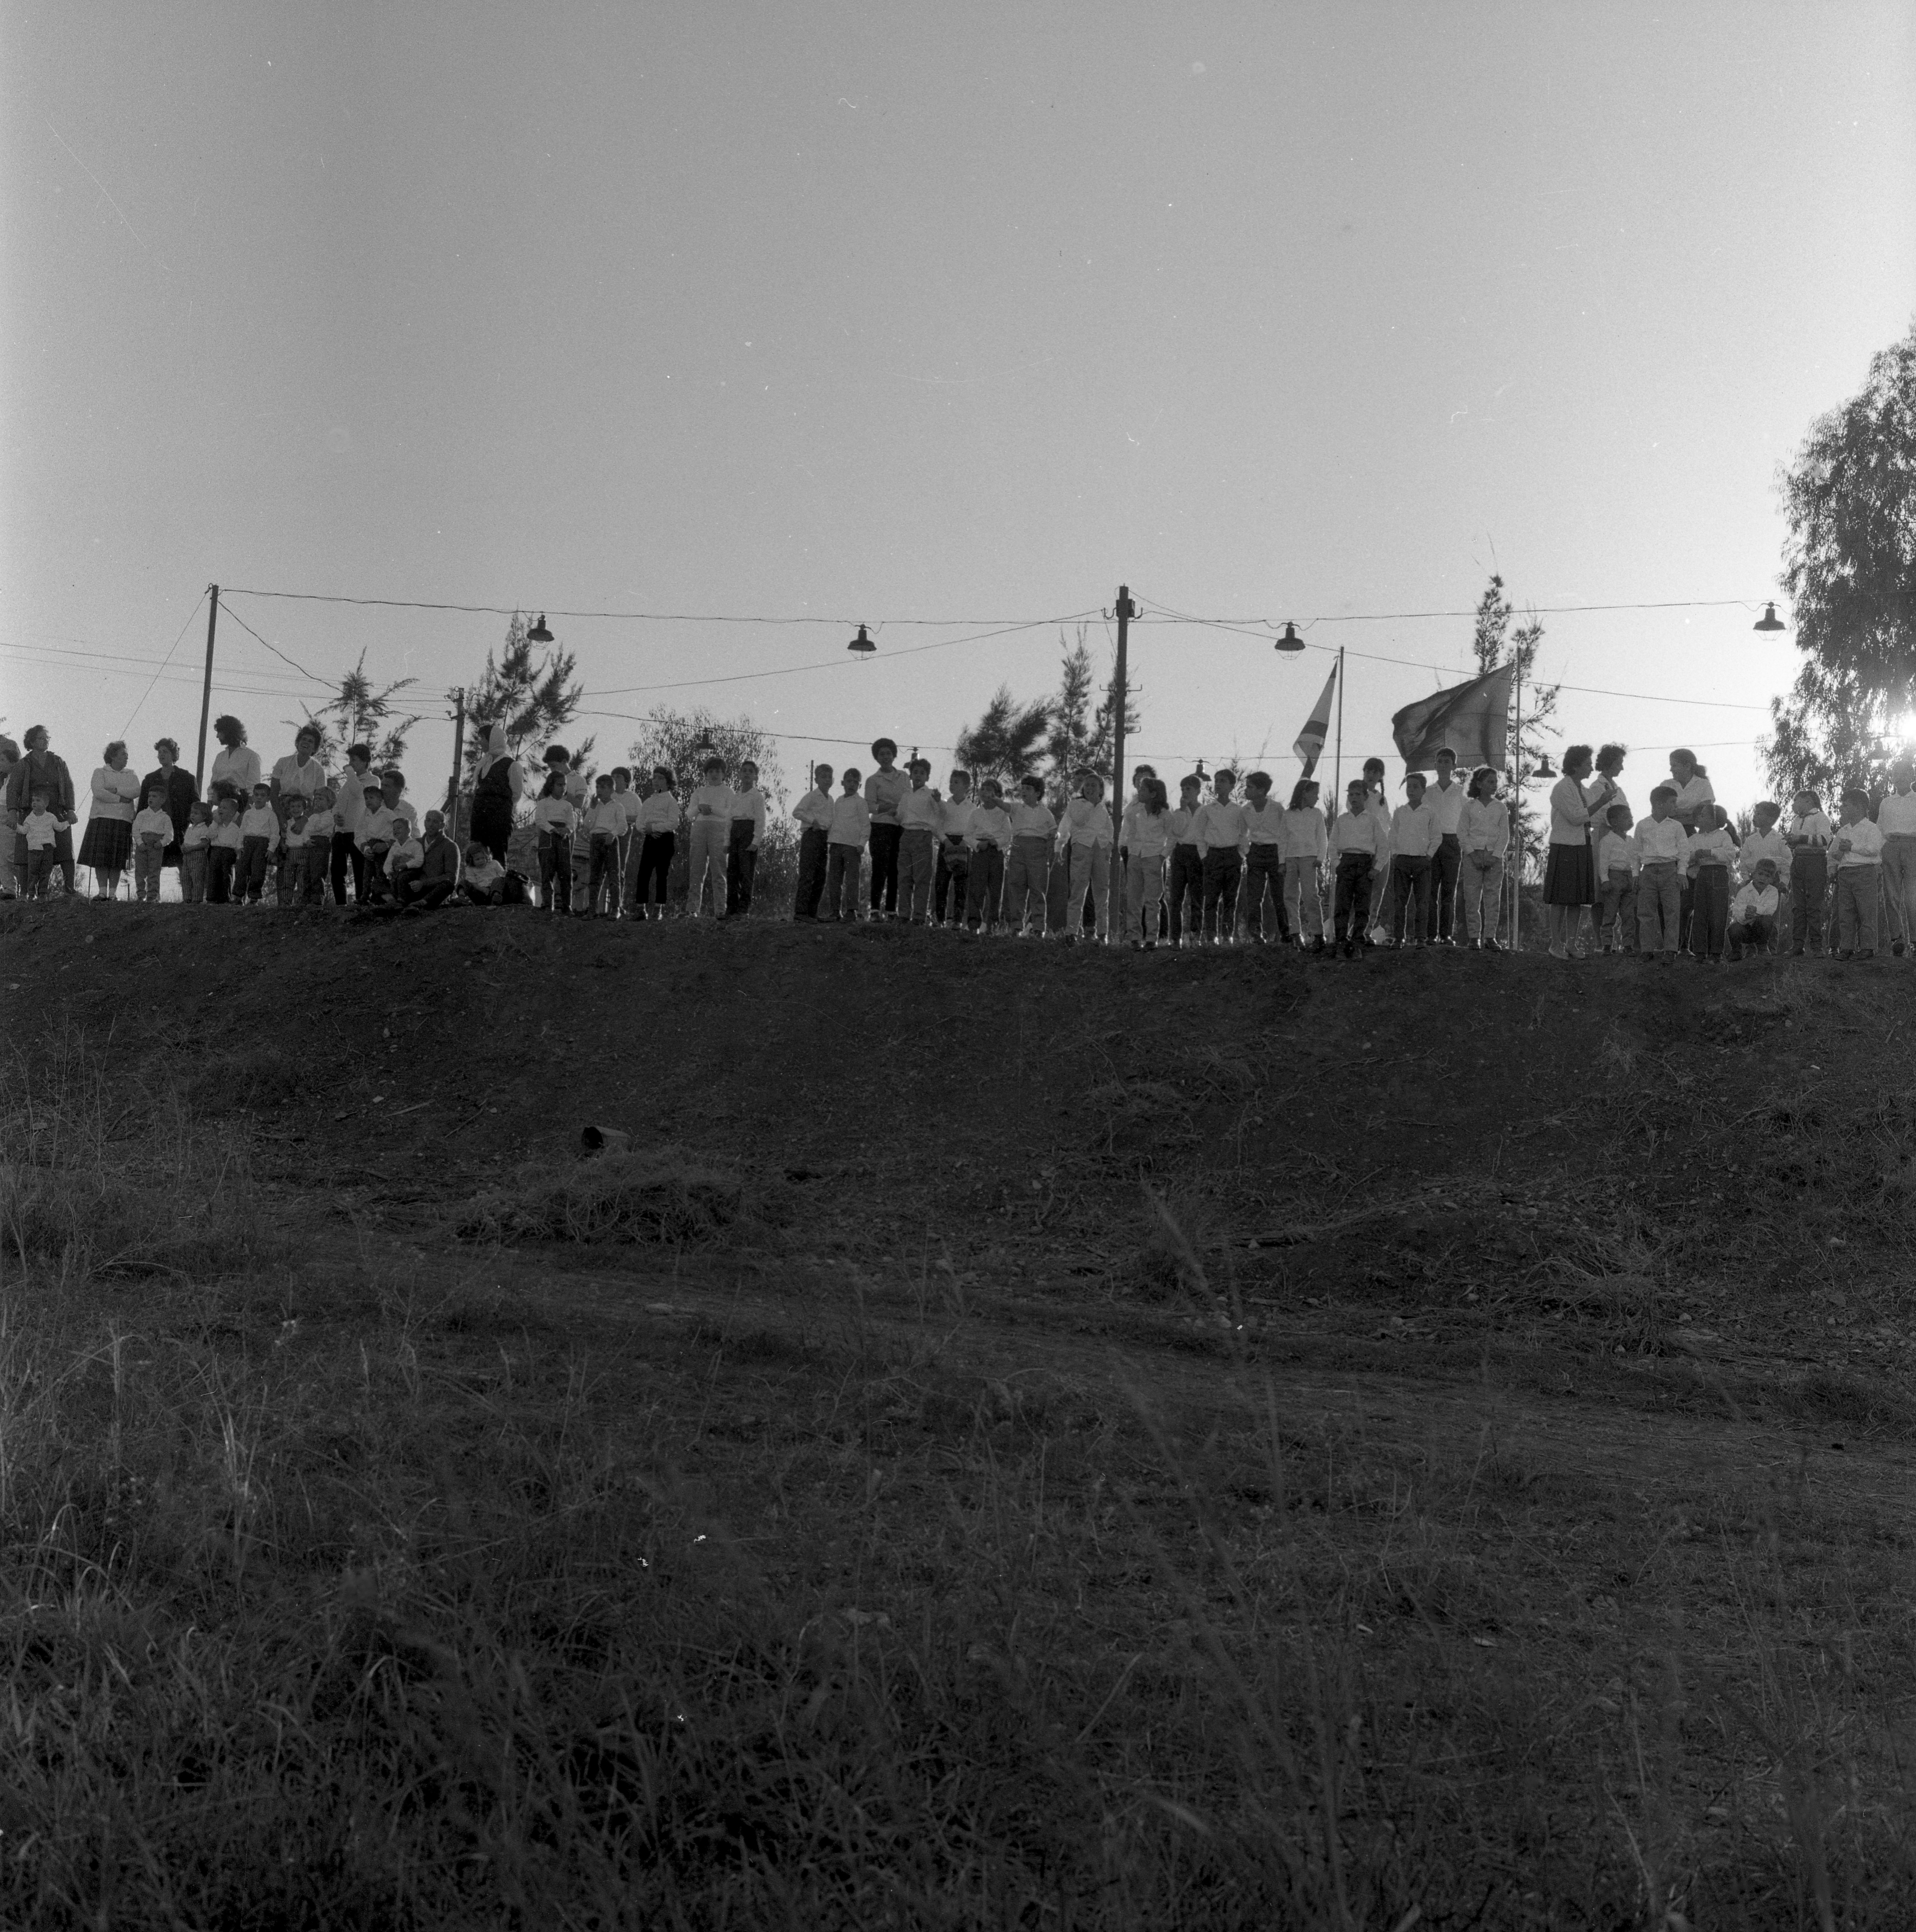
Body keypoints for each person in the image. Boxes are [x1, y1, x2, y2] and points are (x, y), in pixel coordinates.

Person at [1542, 745, 1602, 959]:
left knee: (1577, 899)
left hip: (1583, 846)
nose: (1591, 768)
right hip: (1565, 846)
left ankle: (1572, 944)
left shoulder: (1585, 791)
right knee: (1560, 899)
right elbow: (1576, 818)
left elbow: (1592, 818)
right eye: (1588, 764)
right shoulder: (1562, 788)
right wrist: (1601, 803)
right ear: (1575, 765)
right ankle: (1555, 943)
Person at [6, 727, 77, 896]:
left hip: (56, 811)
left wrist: (71, 810)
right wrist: (12, 812)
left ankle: (69, 890)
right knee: (25, 853)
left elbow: (68, 786)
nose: (45, 741)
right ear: (31, 742)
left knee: (65, 850)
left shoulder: (58, 762)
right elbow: (13, 789)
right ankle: (26, 893)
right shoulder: (24, 764)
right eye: (41, 738)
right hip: (30, 812)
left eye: (47, 738)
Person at [269, 725, 329, 904]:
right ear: (297, 742)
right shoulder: (283, 762)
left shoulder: (318, 770)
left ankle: (304, 901)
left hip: (307, 812)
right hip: (283, 809)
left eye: (311, 742)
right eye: (303, 739)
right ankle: (284, 902)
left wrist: (304, 819)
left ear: (315, 748)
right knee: (284, 856)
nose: (306, 743)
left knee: (304, 857)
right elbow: (273, 794)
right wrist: (281, 819)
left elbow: (319, 798)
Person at [1328, 778, 1384, 958]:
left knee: (1362, 906)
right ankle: (1341, 941)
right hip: (1346, 863)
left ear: (1366, 797)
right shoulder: (1342, 820)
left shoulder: (1373, 821)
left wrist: (1377, 868)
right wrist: (1337, 864)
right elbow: (1333, 844)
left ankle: (1358, 941)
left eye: (1358, 794)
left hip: (1365, 865)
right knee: (1342, 905)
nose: (1354, 798)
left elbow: (1384, 847)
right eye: (1351, 795)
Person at [1055, 771, 1113, 944]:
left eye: (1094, 785)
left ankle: (1103, 933)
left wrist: (1108, 846)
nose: (1089, 788)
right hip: (1082, 848)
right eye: (1087, 785)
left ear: (1101, 789)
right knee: (1078, 891)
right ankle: (1072, 931)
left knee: (1102, 892)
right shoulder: (1076, 804)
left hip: (1100, 850)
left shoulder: (1103, 809)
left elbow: (1109, 830)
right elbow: (1076, 822)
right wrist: (1059, 846)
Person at [80, 741, 142, 900]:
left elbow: (136, 791)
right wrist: (121, 799)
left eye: (127, 755)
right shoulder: (100, 772)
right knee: (101, 860)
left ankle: (113, 894)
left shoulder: (132, 775)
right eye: (123, 754)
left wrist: (115, 791)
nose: (126, 758)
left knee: (117, 860)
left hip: (123, 820)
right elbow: (99, 792)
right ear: (113, 756)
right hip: (101, 819)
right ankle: (102, 892)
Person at [1632, 785, 1687, 961]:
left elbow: (1684, 851)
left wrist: (1682, 872)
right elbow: (1636, 853)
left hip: (1670, 870)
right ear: (1659, 804)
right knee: (1645, 913)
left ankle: (1671, 950)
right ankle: (1647, 949)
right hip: (1648, 872)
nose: (1675, 806)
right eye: (1672, 802)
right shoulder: (1642, 825)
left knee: (1672, 912)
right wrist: (1635, 874)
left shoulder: (1677, 826)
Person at [1192, 769, 1247, 946]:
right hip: (1213, 856)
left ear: (1232, 785)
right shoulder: (1207, 810)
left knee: (1231, 899)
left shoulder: (1239, 811)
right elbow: (1199, 835)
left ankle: (1227, 935)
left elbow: (1244, 835)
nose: (1219, 784)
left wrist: (1241, 855)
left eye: (1223, 781)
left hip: (1233, 856)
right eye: (1217, 781)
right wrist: (1204, 856)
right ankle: (1211, 936)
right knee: (1212, 899)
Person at [1457, 766, 1509, 951]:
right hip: (1473, 857)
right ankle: (1474, 937)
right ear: (1479, 784)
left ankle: (1490, 937)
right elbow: (1462, 833)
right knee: (1472, 897)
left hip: (1494, 858)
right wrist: (1473, 855)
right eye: (1490, 782)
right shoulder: (1469, 807)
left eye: (1496, 782)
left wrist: (1495, 857)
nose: (1494, 785)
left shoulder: (1501, 808)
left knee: (1492, 898)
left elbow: (1505, 835)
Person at [1831, 787, 1884, 960]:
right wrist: (1840, 850)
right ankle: (1847, 948)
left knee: (1866, 912)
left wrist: (1851, 847)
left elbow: (1874, 850)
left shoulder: (1872, 829)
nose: (1842, 809)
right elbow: (1833, 854)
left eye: (1846, 805)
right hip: (1845, 873)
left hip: (1865, 872)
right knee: (1846, 913)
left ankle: (1868, 948)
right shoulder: (1843, 831)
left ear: (1860, 807)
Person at [1386, 772, 1438, 947]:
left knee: (1422, 901)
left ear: (1424, 790)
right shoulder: (1400, 812)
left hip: (1422, 863)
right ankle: (1399, 937)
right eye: (1409, 786)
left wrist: (1429, 855)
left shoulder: (1429, 812)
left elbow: (1436, 837)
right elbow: (1392, 836)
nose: (1412, 790)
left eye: (1416, 787)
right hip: (1402, 861)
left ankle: (1421, 937)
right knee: (1400, 901)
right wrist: (1395, 854)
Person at [1238, 771, 1290, 944]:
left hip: (1275, 853)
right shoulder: (1246, 810)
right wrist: (1248, 852)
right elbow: (1242, 834)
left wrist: (1283, 858)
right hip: (1256, 853)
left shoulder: (1276, 809)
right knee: (1254, 896)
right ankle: (1256, 933)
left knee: (1279, 896)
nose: (1247, 790)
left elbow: (1284, 834)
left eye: (1250, 787)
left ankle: (1286, 933)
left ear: (1262, 790)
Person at [1121, 775, 1171, 950]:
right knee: (1133, 899)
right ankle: (1134, 937)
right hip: (1135, 856)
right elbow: (1128, 828)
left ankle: (1152, 938)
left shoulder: (1165, 814)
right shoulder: (1136, 811)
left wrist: (1162, 857)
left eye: (1143, 789)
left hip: (1153, 858)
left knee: (1152, 901)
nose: (1139, 792)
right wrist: (1129, 849)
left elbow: (1172, 838)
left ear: (1154, 794)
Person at [1278, 779, 1327, 953]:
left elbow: (1322, 838)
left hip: (1310, 859)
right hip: (1291, 859)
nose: (1317, 798)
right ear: (1305, 793)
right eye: (1315, 794)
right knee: (1290, 896)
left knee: (1310, 896)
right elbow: (1283, 839)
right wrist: (1282, 862)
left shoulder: (1316, 814)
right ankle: (1295, 933)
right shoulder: (1288, 814)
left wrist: (1320, 857)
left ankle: (1318, 935)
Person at [1684, 804, 1738, 964]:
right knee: (1700, 914)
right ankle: (1700, 952)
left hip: (1719, 875)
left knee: (1718, 915)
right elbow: (1686, 858)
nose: (1699, 819)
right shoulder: (1694, 839)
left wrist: (1710, 852)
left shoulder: (1723, 836)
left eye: (1703, 816)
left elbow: (1730, 855)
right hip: (1702, 875)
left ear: (1714, 820)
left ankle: (1716, 953)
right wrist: (1695, 855)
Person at [1004, 774, 1056, 938]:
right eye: (1023, 788)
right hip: (1018, 847)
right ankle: (1016, 926)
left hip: (1038, 850)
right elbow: (1002, 806)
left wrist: (1054, 844)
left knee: (1038, 888)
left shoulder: (1046, 813)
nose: (1024, 792)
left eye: (1028, 789)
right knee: (1017, 886)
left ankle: (1039, 926)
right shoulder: (1017, 808)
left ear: (1038, 793)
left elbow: (1054, 832)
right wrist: (993, 799)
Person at [469, 724, 527, 868]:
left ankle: (498, 888)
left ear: (492, 739)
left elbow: (516, 794)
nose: (481, 742)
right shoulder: (483, 764)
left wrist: (499, 806)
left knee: (498, 856)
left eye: (483, 738)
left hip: (499, 817)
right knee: (476, 854)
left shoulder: (512, 765)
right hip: (480, 817)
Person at [140, 738, 199, 879]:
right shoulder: (150, 779)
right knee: (154, 863)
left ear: (174, 754)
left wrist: (189, 823)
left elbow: (195, 803)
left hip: (179, 828)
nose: (161, 755)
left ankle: (189, 897)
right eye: (159, 752)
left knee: (184, 863)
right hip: (155, 828)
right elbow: (143, 806)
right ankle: (153, 897)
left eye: (165, 752)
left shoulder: (187, 778)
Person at [1424, 747, 1467, 942]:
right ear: (1435, 764)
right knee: (1431, 891)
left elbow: (1467, 820)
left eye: (1447, 762)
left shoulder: (1460, 792)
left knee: (1449, 892)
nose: (1443, 765)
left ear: (1454, 766)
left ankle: (1446, 934)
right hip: (1432, 843)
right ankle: (1431, 935)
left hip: (1452, 843)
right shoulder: (1427, 792)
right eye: (1440, 761)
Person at [1785, 787, 1834, 956]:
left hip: (1815, 862)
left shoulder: (1820, 817)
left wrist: (1801, 839)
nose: (1793, 805)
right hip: (1798, 860)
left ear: (1808, 801)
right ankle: (1798, 945)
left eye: (1796, 801)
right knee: (1798, 906)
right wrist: (1791, 841)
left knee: (1813, 905)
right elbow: (1796, 841)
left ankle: (1817, 946)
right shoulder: (1797, 820)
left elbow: (1825, 840)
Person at [895, 757, 943, 925]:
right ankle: (904, 914)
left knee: (922, 878)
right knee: (905, 877)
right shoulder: (906, 795)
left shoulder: (931, 795)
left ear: (927, 777)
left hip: (923, 836)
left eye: (922, 773)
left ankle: (919, 916)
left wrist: (938, 800)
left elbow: (940, 813)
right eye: (915, 772)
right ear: (911, 775)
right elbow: (900, 815)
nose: (918, 776)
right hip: (907, 835)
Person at [1877, 756, 1916, 959]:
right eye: (1896, 775)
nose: (1900, 778)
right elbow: (1880, 831)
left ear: (1912, 776)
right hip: (1890, 847)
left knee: (1913, 895)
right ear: (1892, 779)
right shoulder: (1886, 803)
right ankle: (1897, 939)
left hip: (1913, 847)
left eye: (1904, 775)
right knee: (1891, 894)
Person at [684, 755, 732, 918]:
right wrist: (699, 808)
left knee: (719, 871)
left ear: (724, 774)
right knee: (697, 870)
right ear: (706, 774)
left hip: (719, 830)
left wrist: (712, 810)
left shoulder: (728, 792)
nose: (714, 775)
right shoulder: (699, 792)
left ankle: (721, 910)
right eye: (711, 771)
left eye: (718, 771)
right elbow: (689, 814)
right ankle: (693, 909)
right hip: (699, 829)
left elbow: (730, 814)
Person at [330, 744, 376, 905]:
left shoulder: (372, 780)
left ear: (365, 762)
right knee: (337, 871)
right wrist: (336, 816)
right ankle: (341, 905)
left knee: (360, 870)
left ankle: (361, 902)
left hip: (357, 833)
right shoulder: (348, 782)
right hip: (341, 832)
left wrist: (350, 772)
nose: (351, 763)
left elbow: (359, 794)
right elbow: (338, 804)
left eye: (355, 760)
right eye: (350, 760)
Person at [821, 767, 869, 922]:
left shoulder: (861, 803)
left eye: (856, 782)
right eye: (849, 781)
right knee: (835, 880)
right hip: (836, 845)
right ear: (843, 783)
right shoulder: (838, 801)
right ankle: (835, 911)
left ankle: (851, 911)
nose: (852, 785)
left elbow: (866, 825)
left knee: (852, 880)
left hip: (852, 846)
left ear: (860, 786)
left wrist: (862, 843)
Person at [964, 778, 1011, 933]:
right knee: (977, 888)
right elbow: (967, 835)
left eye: (989, 790)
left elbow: (1008, 836)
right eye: (982, 789)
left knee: (996, 890)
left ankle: (992, 925)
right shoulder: (976, 813)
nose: (985, 793)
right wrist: (978, 844)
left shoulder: (1003, 813)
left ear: (997, 794)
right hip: (980, 853)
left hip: (996, 853)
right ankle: (973, 925)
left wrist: (996, 842)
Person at [633, 768, 680, 919]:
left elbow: (673, 823)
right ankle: (641, 909)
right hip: (650, 839)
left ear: (669, 782)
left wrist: (655, 828)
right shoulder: (648, 802)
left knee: (662, 874)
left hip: (665, 840)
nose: (657, 781)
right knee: (644, 873)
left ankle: (658, 909)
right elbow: (640, 822)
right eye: (655, 778)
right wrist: (648, 831)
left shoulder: (671, 802)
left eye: (661, 778)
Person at [1165, 774, 1204, 948]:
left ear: (1198, 791)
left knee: (1197, 898)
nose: (1185, 792)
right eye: (1183, 789)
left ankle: (1196, 936)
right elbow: (1178, 833)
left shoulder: (1205, 811)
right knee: (1176, 899)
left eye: (1189, 789)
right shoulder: (1178, 813)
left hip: (1198, 854)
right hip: (1181, 853)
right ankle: (1175, 937)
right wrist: (1183, 811)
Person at [726, 759, 768, 916]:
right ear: (739, 774)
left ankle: (744, 908)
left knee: (747, 872)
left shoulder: (757, 797)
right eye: (744, 771)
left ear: (756, 776)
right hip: (735, 832)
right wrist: (727, 841)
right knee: (733, 872)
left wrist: (756, 841)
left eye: (751, 771)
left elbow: (760, 820)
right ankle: (731, 908)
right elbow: (729, 819)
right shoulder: (736, 797)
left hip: (748, 833)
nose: (747, 774)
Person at [792, 765, 835, 919]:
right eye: (823, 777)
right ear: (816, 779)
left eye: (829, 777)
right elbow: (797, 812)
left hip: (824, 839)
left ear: (833, 780)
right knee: (807, 874)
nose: (826, 780)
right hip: (812, 835)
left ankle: (812, 913)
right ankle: (801, 912)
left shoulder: (831, 800)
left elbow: (831, 822)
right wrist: (813, 821)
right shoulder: (812, 796)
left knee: (820, 876)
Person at [395, 810, 459, 910]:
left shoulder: (450, 846)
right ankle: (399, 903)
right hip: (414, 888)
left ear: (442, 825)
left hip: (434, 891)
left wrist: (424, 883)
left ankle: (422, 904)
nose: (431, 825)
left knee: (448, 884)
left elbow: (452, 877)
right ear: (424, 822)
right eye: (428, 821)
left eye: (435, 822)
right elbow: (399, 863)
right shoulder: (416, 843)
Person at [532, 769, 577, 915]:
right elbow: (540, 820)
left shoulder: (568, 806)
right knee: (547, 871)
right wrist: (553, 829)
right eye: (559, 785)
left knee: (565, 872)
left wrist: (567, 830)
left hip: (563, 839)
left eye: (564, 785)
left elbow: (572, 824)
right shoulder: (543, 803)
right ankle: (547, 903)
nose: (563, 788)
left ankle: (566, 905)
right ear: (551, 786)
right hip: (548, 838)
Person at [934, 769, 974, 927]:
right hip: (947, 843)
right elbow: (937, 826)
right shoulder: (944, 805)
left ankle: (957, 920)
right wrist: (945, 841)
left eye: (956, 782)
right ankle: (940, 920)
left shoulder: (972, 808)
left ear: (967, 786)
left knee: (961, 885)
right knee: (942, 883)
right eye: (951, 782)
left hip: (964, 845)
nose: (952, 785)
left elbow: (974, 830)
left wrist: (965, 842)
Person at [1595, 804, 1636, 954]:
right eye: (1626, 818)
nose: (1630, 820)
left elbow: (1635, 860)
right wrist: (1605, 880)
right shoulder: (1608, 840)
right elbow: (1603, 861)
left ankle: (1628, 945)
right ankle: (1607, 944)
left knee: (1628, 914)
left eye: (1631, 817)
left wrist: (1636, 876)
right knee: (1610, 912)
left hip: (1629, 877)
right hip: (1614, 876)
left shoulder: (1632, 841)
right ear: (1614, 821)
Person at [583, 773, 624, 917]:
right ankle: (592, 910)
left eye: (604, 787)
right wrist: (592, 808)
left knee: (614, 876)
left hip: (610, 840)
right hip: (596, 840)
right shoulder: (596, 807)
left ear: (612, 790)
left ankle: (615, 910)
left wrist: (613, 834)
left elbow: (623, 826)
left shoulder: (617, 807)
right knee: (595, 877)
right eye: (598, 787)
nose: (600, 791)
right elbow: (587, 825)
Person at [1726, 859, 1782, 961]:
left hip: (1762, 929)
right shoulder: (1745, 891)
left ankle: (1763, 948)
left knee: (1767, 921)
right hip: (1747, 928)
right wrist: (1746, 915)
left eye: (1767, 876)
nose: (1763, 878)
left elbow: (1770, 909)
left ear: (1772, 880)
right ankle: (1737, 951)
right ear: (1754, 874)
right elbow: (1737, 910)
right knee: (1733, 929)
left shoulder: (1773, 892)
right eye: (1760, 874)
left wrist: (1756, 910)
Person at [236, 781, 280, 906]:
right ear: (253, 797)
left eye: (263, 795)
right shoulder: (248, 813)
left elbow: (275, 834)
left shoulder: (271, 815)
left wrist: (271, 849)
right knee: (241, 870)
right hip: (247, 843)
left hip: (262, 844)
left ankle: (254, 898)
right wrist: (239, 846)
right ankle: (238, 897)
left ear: (268, 798)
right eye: (257, 795)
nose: (259, 798)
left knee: (258, 872)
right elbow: (242, 830)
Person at [131, 785, 174, 904]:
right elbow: (135, 830)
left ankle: (153, 896)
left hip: (156, 846)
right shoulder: (142, 815)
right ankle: (141, 895)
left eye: (155, 797)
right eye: (150, 796)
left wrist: (161, 843)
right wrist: (140, 843)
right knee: (140, 871)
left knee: (154, 871)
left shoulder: (165, 817)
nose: (151, 799)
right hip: (143, 845)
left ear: (162, 800)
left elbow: (170, 835)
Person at [208, 716, 261, 805]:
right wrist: (208, 811)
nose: (217, 736)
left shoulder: (251, 756)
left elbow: (253, 789)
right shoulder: (220, 757)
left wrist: (245, 814)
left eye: (220, 732)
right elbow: (213, 786)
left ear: (228, 732)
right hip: (222, 804)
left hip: (241, 803)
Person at [21, 788, 63, 899]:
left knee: (46, 872)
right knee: (33, 873)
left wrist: (68, 823)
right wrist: (14, 826)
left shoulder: (51, 817)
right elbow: (24, 831)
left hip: (48, 849)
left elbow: (59, 827)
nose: (34, 803)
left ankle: (43, 894)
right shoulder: (29, 818)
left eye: (38, 800)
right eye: (33, 801)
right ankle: (31, 894)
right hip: (34, 850)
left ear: (46, 804)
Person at [293, 789, 334, 904]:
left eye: (321, 799)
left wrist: (311, 827)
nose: (317, 802)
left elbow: (319, 828)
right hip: (311, 844)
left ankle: (317, 900)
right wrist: (306, 840)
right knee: (308, 873)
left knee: (318, 873)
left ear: (330, 802)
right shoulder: (313, 817)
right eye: (316, 799)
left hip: (322, 844)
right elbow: (306, 831)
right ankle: (306, 899)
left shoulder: (329, 816)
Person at [206, 796, 243, 905]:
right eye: (220, 808)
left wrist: (237, 853)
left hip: (229, 853)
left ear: (233, 812)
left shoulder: (236, 828)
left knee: (227, 875)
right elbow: (210, 836)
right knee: (214, 874)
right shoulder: (216, 825)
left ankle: (226, 898)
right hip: (216, 851)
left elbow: (238, 842)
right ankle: (212, 898)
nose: (221, 810)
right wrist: (215, 823)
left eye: (224, 808)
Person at [180, 801, 213, 904]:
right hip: (187, 855)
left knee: (197, 878)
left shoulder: (204, 828)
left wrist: (192, 849)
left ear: (204, 816)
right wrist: (183, 847)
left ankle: (197, 899)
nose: (193, 816)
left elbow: (205, 844)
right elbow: (186, 841)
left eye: (196, 813)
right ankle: (187, 898)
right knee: (185, 877)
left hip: (198, 855)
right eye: (192, 813)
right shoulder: (190, 828)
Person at [461, 840, 508, 905]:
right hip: (480, 891)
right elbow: (473, 882)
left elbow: (502, 873)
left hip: (493, 889)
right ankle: (462, 898)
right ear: (471, 860)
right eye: (478, 859)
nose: (481, 861)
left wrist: (508, 874)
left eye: (483, 858)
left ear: (486, 857)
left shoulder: (494, 864)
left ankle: (496, 898)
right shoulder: (470, 869)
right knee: (464, 882)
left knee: (498, 880)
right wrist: (482, 889)